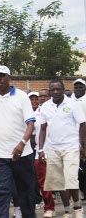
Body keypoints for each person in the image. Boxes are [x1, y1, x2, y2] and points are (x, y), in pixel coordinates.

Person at [0, 65, 36, 218]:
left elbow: (31, 123)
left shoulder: (21, 96)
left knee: (25, 191)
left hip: (22, 154)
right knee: (2, 191)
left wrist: (22, 143)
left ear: (9, 77)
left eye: (2, 76)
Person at [39, 79, 86, 218]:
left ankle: (77, 207)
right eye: (52, 89)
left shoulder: (73, 104)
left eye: (58, 89)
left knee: (71, 178)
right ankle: (67, 210)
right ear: (50, 91)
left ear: (63, 89)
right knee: (59, 182)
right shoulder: (46, 106)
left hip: (71, 147)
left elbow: (82, 124)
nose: (55, 92)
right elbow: (42, 129)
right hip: (53, 149)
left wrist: (82, 145)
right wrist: (41, 149)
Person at [29, 91, 55, 217]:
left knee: (62, 181)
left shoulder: (56, 110)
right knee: (43, 182)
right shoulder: (34, 115)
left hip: (57, 150)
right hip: (41, 153)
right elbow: (33, 134)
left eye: (45, 96)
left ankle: (70, 207)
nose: (42, 98)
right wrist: (37, 148)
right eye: (41, 97)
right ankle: (49, 208)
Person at [71, 79, 86, 199]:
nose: (78, 89)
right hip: (72, 139)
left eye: (81, 87)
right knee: (76, 168)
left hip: (84, 137)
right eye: (76, 87)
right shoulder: (69, 101)